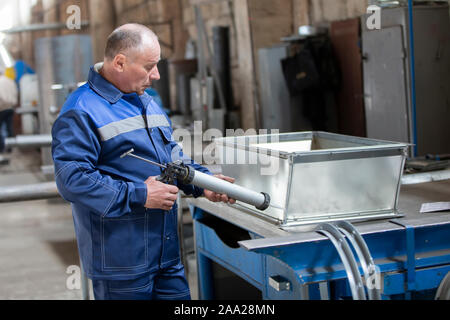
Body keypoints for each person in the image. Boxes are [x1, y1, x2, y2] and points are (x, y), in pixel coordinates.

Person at [51, 23, 235, 300]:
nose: (156, 75)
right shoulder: (81, 110)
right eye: (149, 66)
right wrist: (141, 194)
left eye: (157, 65)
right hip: (122, 263)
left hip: (167, 255)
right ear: (120, 62)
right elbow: (72, 179)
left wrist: (203, 182)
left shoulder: (146, 100)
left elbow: (171, 156)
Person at [0, 71, 18, 144]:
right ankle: (11, 146)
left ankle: (2, 146)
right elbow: (15, 92)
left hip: (1, 107)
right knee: (9, 126)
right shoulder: (10, 81)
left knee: (1, 128)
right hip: (10, 107)